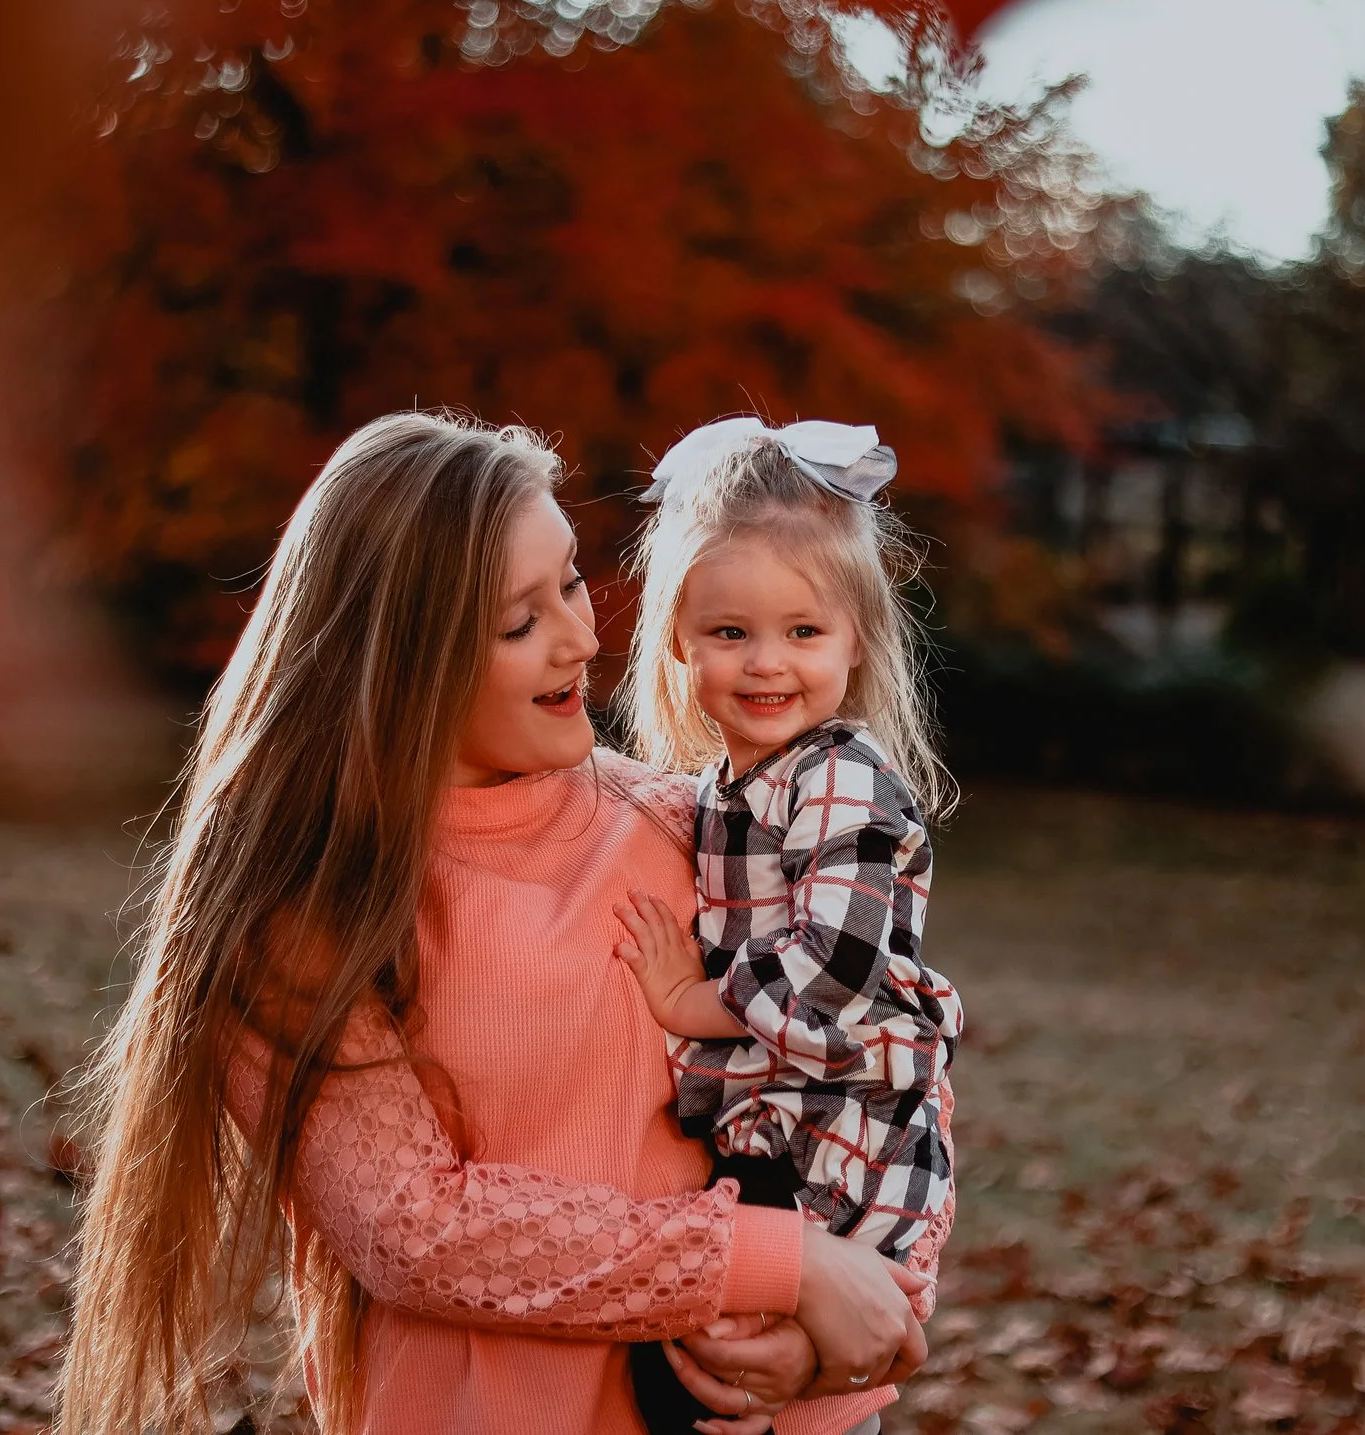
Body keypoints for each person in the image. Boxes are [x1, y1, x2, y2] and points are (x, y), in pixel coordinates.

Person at [58, 411, 938, 1435]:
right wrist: (776, 1260)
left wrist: (859, 1306)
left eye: (570, 581)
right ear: (405, 659)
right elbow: (413, 1227)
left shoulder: (683, 816)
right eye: (520, 621)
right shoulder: (310, 914)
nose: (582, 637)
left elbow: (886, 1045)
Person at [610, 419, 963, 1435]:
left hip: (852, 1129)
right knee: (717, 1376)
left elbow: (834, 971)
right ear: (679, 634)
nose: (766, 662)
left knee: (804, 1383)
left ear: (857, 641)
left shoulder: (844, 779)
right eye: (730, 632)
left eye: (802, 632)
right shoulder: (730, 784)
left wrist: (693, 1002)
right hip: (779, 1136)